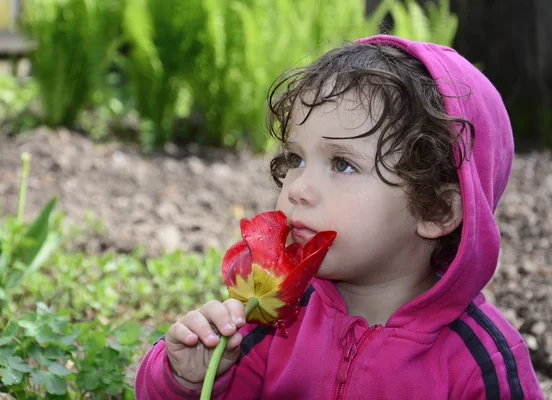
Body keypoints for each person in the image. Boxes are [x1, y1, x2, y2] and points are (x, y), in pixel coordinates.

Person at [135, 35, 544, 399]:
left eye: (342, 164)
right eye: (295, 158)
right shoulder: (275, 317)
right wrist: (185, 380)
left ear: (436, 209)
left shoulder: (481, 361)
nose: (296, 188)